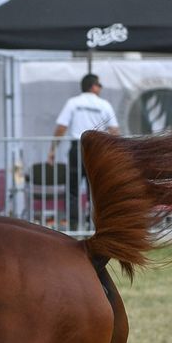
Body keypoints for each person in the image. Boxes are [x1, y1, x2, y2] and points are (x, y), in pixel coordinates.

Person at [48, 73, 120, 230]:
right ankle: (93, 224)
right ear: (93, 86)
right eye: (99, 85)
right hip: (97, 150)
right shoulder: (104, 105)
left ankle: (73, 225)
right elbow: (114, 131)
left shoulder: (73, 103)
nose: (101, 88)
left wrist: (53, 149)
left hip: (78, 148)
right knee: (95, 188)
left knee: (73, 187)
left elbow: (61, 127)